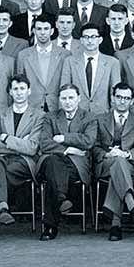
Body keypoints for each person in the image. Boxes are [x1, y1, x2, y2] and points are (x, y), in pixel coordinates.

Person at [0, 75, 43, 245]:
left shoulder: (39, 115)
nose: (19, 93)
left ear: (29, 91)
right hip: (1, 159)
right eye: (15, 89)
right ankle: (0, 210)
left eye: (22, 89)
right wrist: (20, 142)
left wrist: (5, 138)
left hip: (25, 163)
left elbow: (32, 148)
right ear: (10, 92)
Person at [38, 85, 98, 240]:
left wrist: (64, 138)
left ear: (79, 98)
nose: (68, 102)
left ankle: (50, 226)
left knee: (53, 172)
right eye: (64, 98)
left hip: (76, 165)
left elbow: (88, 141)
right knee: (53, 163)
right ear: (59, 100)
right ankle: (61, 198)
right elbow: (44, 143)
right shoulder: (50, 117)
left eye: (71, 98)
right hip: (55, 160)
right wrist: (68, 149)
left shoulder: (89, 117)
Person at [94, 82, 134, 238]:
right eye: (119, 97)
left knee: (119, 166)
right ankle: (130, 203)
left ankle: (116, 224)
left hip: (130, 165)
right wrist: (107, 154)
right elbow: (93, 147)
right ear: (112, 98)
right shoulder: (100, 119)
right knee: (117, 164)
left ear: (132, 101)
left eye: (126, 98)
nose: (122, 101)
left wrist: (127, 154)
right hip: (106, 163)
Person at [62, 25, 121, 117]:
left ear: (100, 39)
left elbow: (115, 93)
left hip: (103, 115)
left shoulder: (112, 62)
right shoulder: (70, 61)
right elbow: (64, 90)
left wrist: (112, 116)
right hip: (76, 115)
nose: (90, 41)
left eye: (93, 37)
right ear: (81, 40)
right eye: (86, 37)